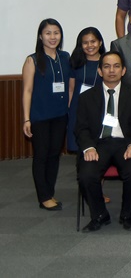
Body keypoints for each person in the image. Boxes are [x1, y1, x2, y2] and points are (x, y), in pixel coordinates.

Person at [75, 51, 131, 232]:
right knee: (86, 175)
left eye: (116, 66)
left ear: (123, 70)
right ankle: (100, 215)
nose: (111, 70)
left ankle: (127, 214)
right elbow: (80, 128)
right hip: (98, 144)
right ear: (100, 71)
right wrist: (88, 147)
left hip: (127, 143)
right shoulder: (86, 97)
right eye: (106, 66)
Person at [22, 19, 71, 211]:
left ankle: (49, 192)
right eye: (48, 33)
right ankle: (43, 197)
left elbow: (70, 86)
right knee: (41, 155)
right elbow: (27, 90)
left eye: (56, 32)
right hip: (40, 116)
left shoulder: (66, 57)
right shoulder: (32, 59)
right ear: (40, 36)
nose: (53, 37)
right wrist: (26, 118)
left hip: (60, 115)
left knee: (54, 155)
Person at [68, 27, 107, 153]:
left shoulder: (107, 61)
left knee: (100, 147)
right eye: (85, 42)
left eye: (93, 41)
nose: (89, 45)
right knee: (80, 147)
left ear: (100, 42)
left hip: (100, 108)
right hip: (78, 108)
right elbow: (71, 89)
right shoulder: (75, 62)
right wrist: (69, 111)